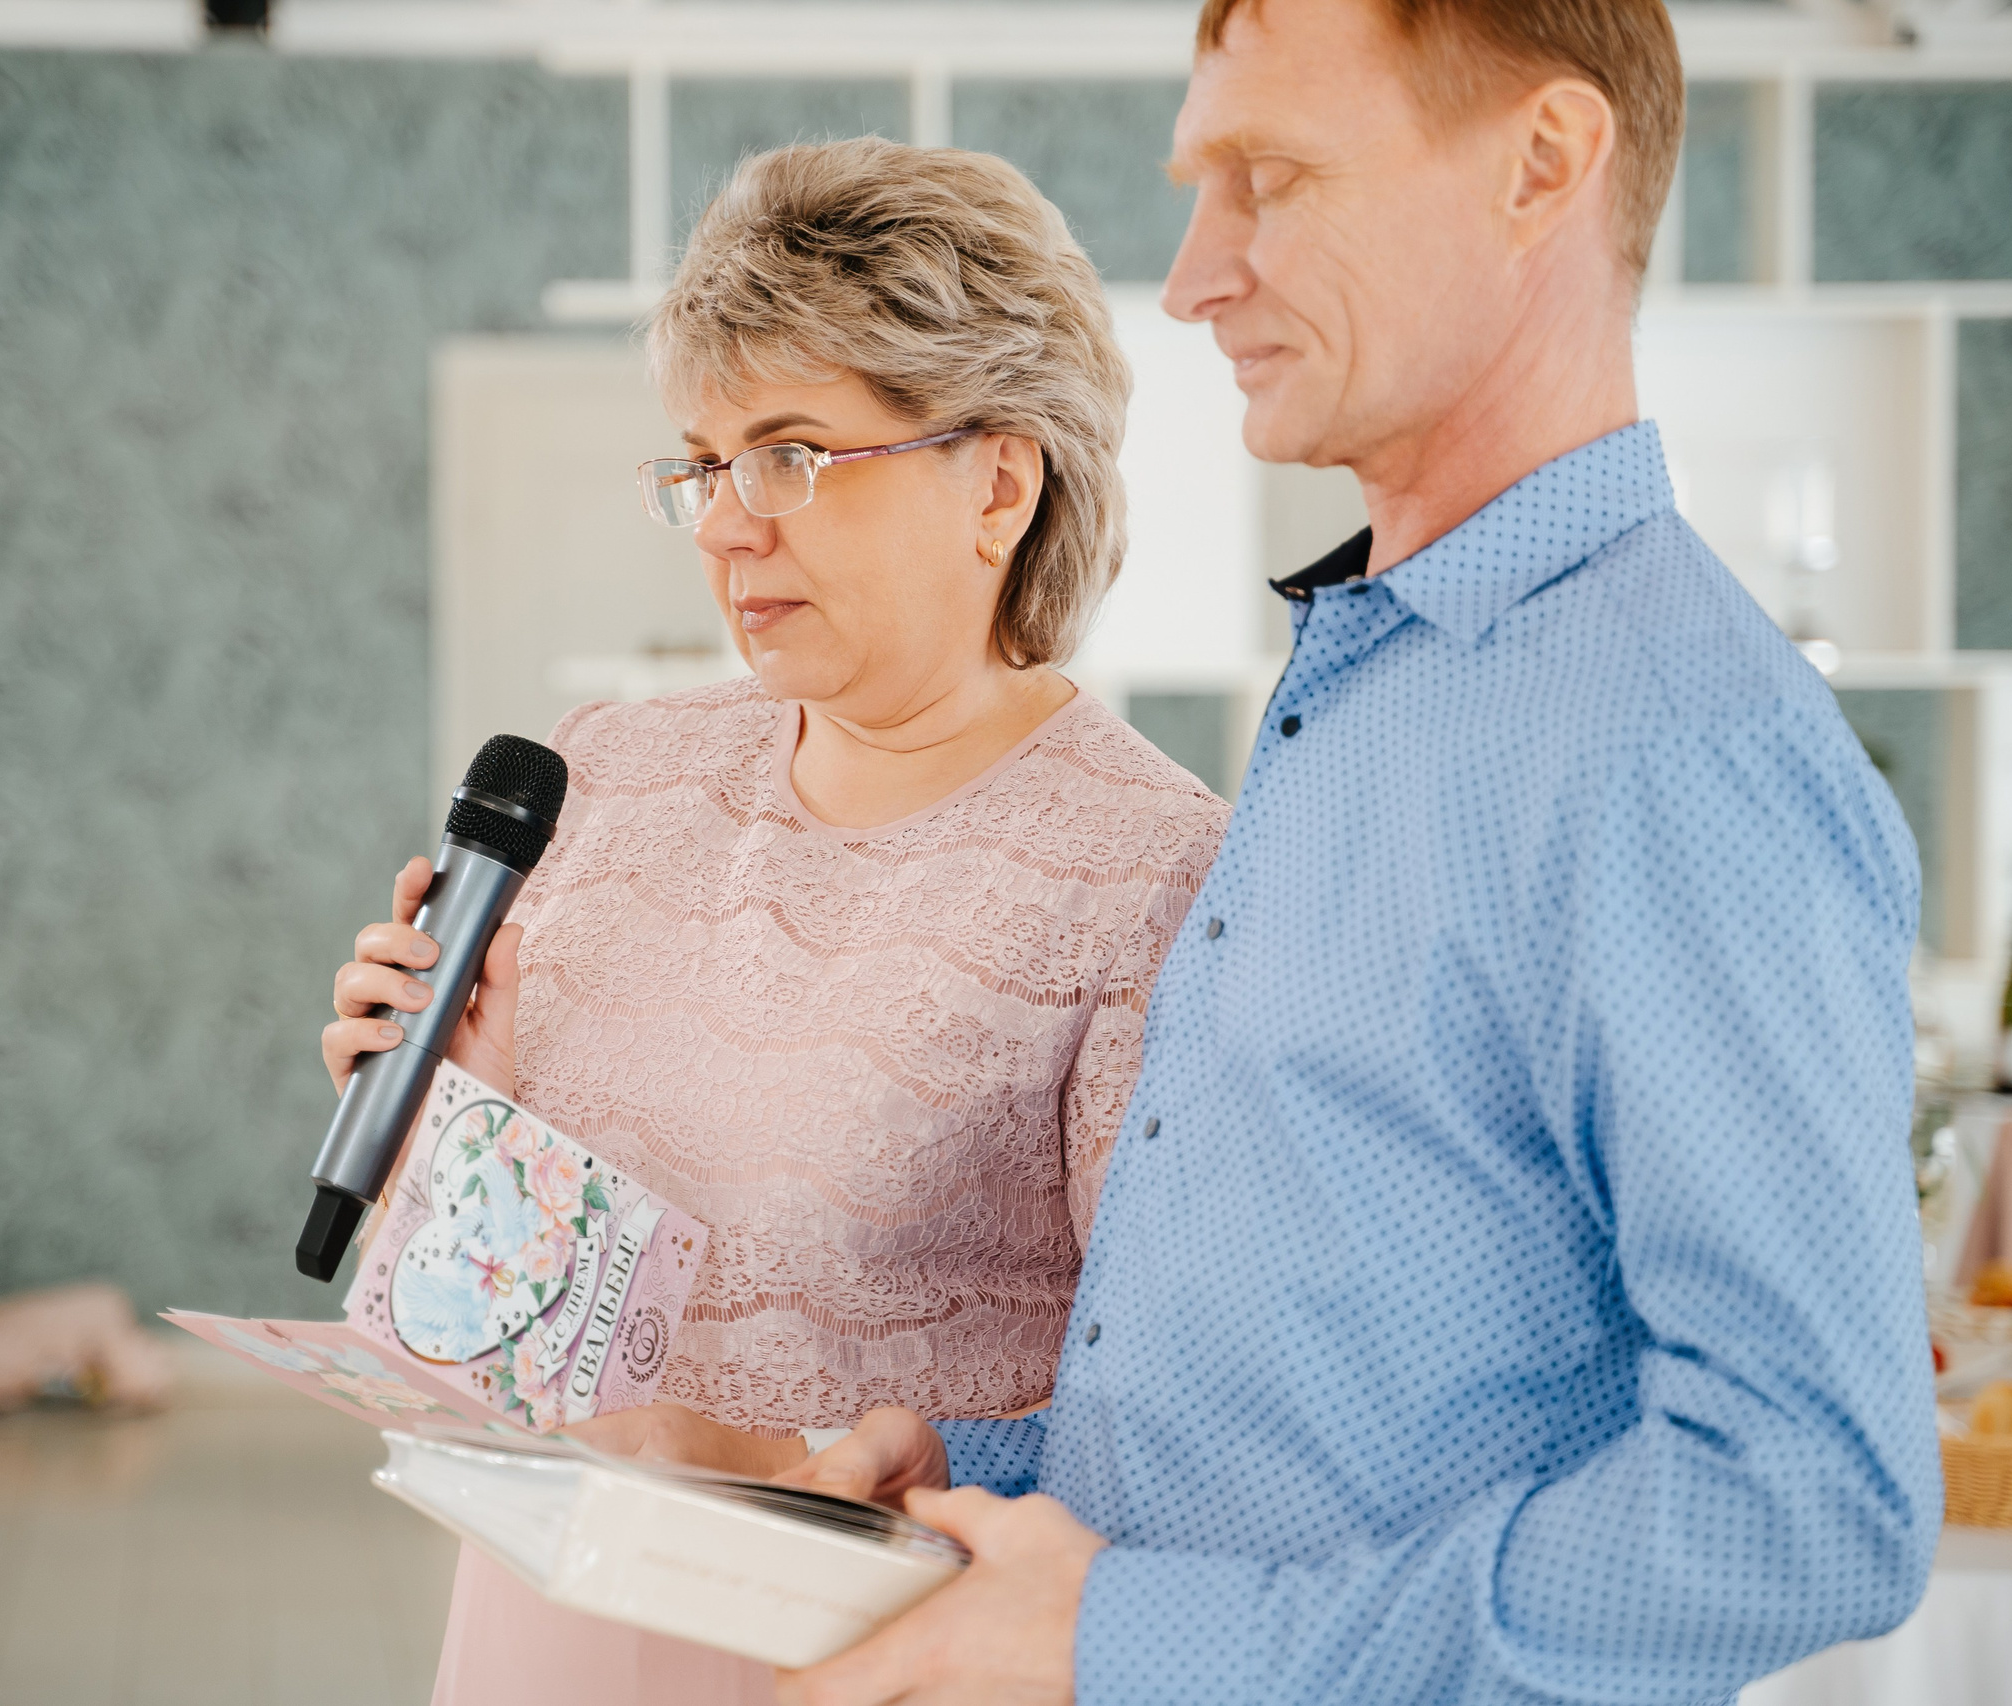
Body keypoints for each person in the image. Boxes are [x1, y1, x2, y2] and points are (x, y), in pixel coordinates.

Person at [771, 2, 1942, 1702]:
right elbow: (1354, 1398)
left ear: (1542, 166)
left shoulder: (1678, 749)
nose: (1190, 278)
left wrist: (1126, 1637)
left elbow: (1815, 1504)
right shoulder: (1370, 691)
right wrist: (989, 1484)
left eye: (1271, 177)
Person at [320, 139, 1229, 1705]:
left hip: (878, 1661)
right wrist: (444, 1118)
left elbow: (1174, 1427)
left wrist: (752, 1455)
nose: (729, 523)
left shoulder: (1155, 873)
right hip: (544, 1630)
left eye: (794, 453)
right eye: (705, 461)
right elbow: (501, 1332)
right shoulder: (605, 773)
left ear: (1000, 481)